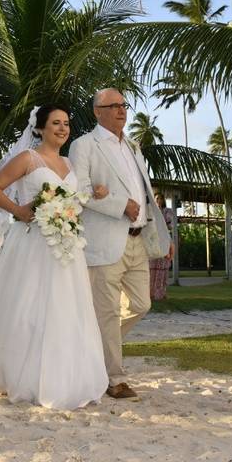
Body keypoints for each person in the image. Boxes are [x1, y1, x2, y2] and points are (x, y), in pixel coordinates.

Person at [0, 105, 109, 409]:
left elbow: (72, 201)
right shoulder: (28, 159)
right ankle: (15, 374)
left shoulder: (69, 163)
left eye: (66, 123)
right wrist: (19, 211)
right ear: (40, 128)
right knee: (27, 307)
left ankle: (61, 374)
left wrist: (94, 196)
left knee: (65, 309)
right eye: (55, 123)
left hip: (66, 248)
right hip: (32, 245)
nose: (62, 128)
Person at [69, 88, 171, 400]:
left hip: (138, 241)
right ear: (97, 111)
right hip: (104, 242)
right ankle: (114, 379)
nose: (121, 110)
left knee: (141, 304)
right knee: (108, 312)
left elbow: (144, 192)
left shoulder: (133, 146)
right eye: (113, 106)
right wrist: (118, 204)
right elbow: (80, 192)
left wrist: (162, 234)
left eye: (124, 105)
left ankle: (90, 348)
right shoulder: (83, 145)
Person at [149, 191, 176, 301]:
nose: (158, 201)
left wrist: (163, 221)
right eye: (156, 199)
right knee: (151, 269)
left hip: (164, 241)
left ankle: (160, 293)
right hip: (152, 242)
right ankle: (150, 293)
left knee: (162, 269)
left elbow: (171, 226)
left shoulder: (168, 212)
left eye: (160, 199)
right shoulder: (150, 211)